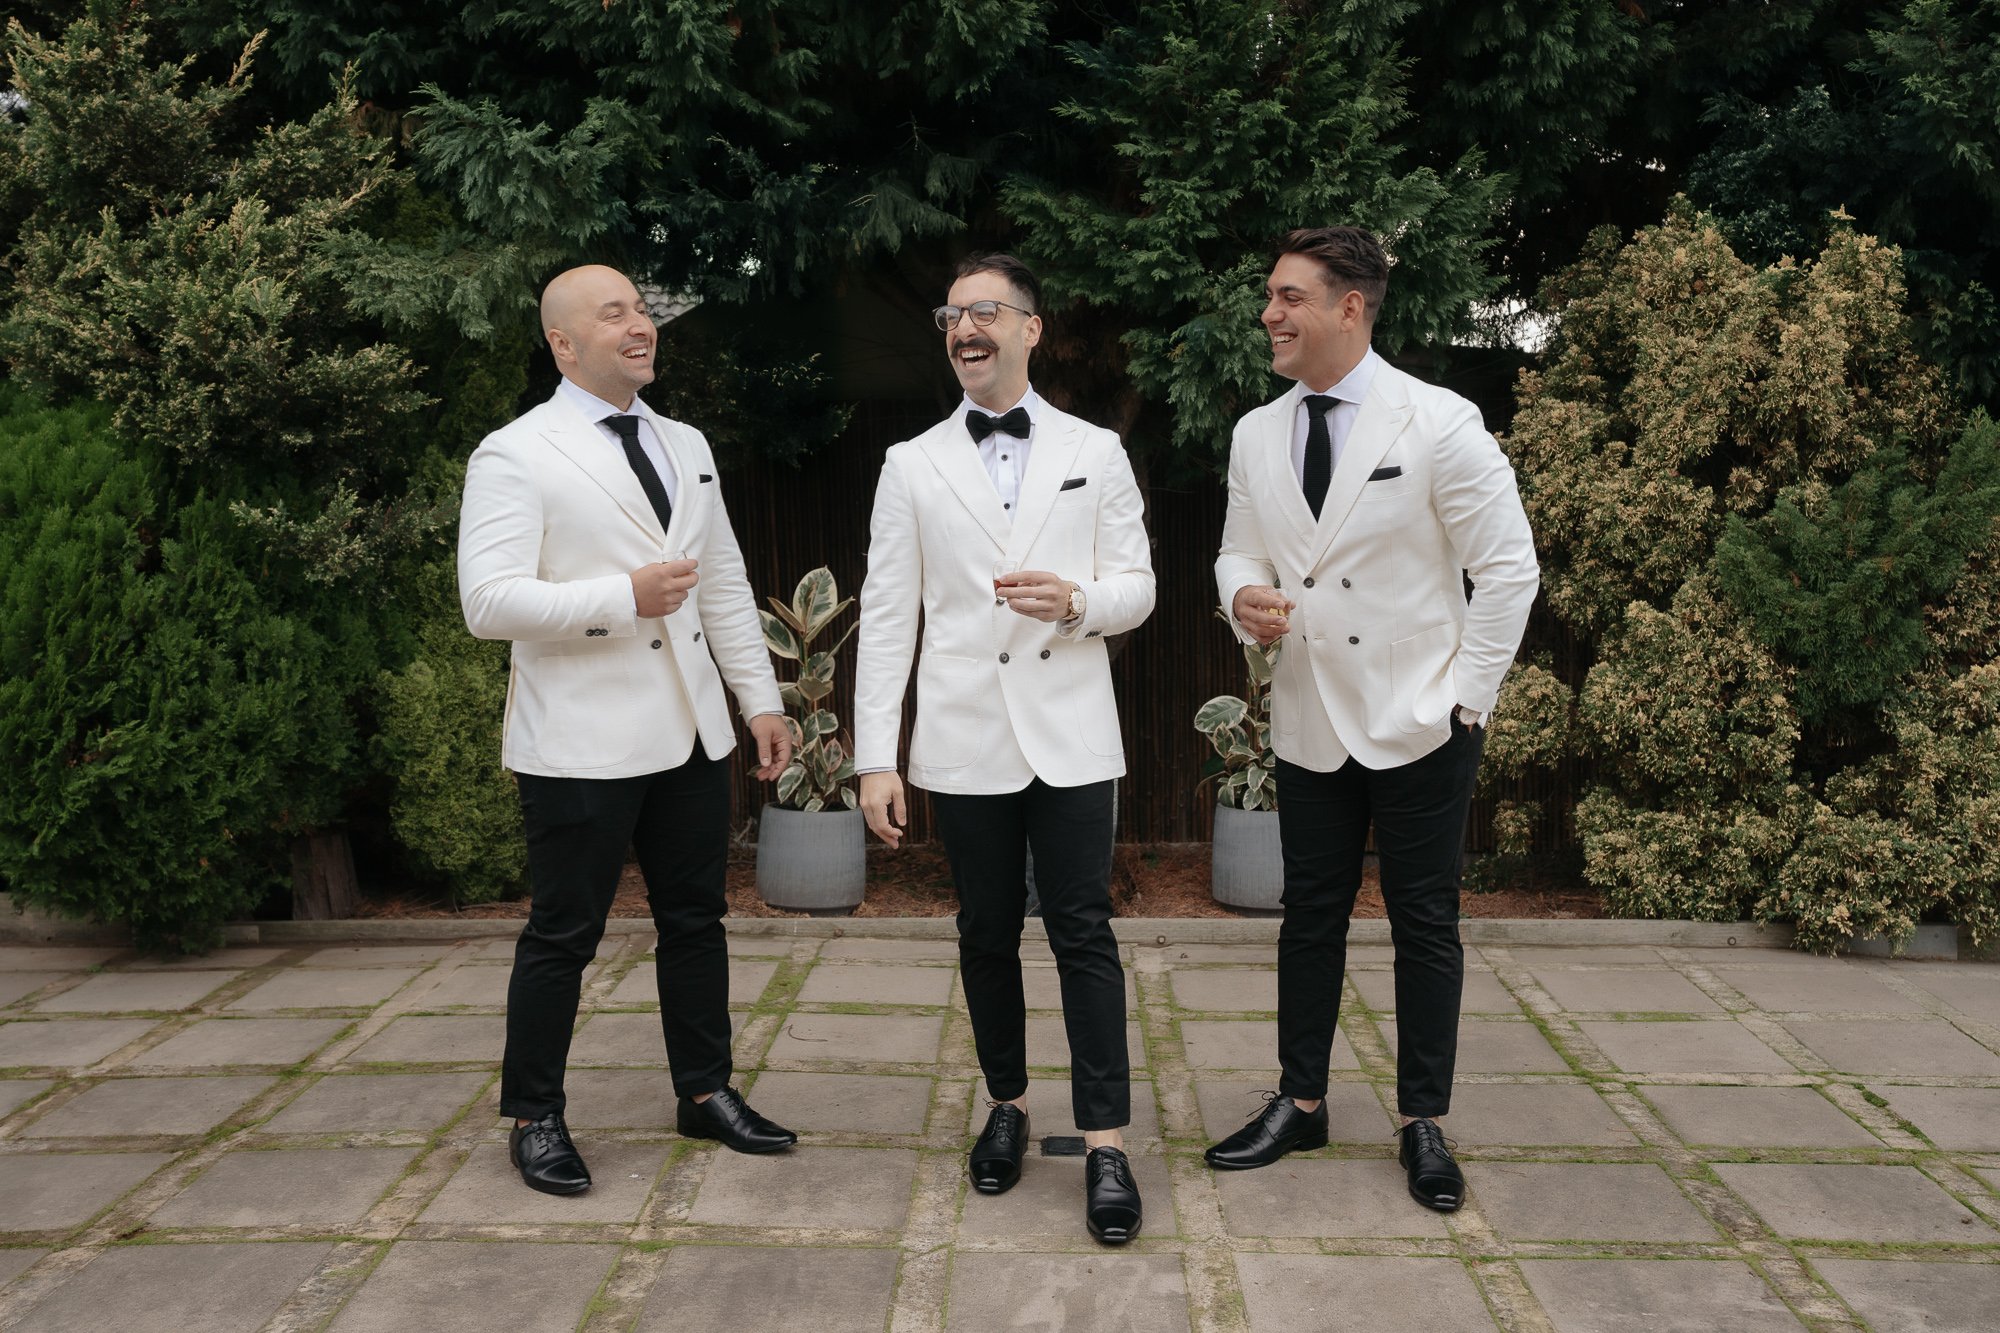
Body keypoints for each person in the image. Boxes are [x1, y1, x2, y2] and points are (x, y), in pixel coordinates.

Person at [1207, 227, 1539, 1212]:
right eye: (1268, 295)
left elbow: (1508, 568)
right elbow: (1236, 553)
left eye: (1287, 296)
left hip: (1420, 720)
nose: (1269, 313)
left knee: (1422, 921)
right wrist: (1241, 599)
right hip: (1309, 713)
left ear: (1349, 306)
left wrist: (1465, 700)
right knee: (1306, 916)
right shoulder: (1254, 432)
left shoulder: (1436, 422)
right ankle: (1299, 1101)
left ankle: (1420, 1120)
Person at [458, 264, 799, 1196]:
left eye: (643, 309)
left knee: (698, 922)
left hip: (689, 734)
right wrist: (623, 598)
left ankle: (705, 1091)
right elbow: (487, 601)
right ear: (563, 344)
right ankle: (534, 1114)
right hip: (578, 743)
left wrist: (759, 700)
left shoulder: (686, 442)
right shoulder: (515, 453)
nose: (639, 324)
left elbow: (721, 580)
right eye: (615, 314)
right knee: (563, 933)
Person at [854, 254, 1156, 1244]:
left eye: (985, 311)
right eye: (952, 314)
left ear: (1031, 328)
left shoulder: (1095, 452)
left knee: (1082, 933)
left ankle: (1105, 1143)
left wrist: (1077, 603)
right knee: (984, 931)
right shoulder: (910, 464)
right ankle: (1007, 1104)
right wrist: (874, 756)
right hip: (963, 736)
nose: (964, 327)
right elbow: (888, 618)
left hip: (1070, 735)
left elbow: (1137, 588)